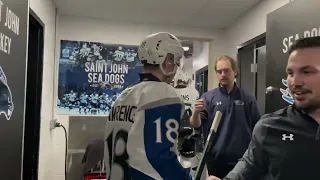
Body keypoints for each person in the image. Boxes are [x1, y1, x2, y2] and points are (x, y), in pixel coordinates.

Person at [209, 36, 320, 180]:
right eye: (291, 73)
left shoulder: (247, 97)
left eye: (307, 72)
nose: (295, 82)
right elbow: (247, 167)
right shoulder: (270, 126)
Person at [104, 32, 193, 180]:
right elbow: (159, 157)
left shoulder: (123, 96)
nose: (176, 69)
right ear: (167, 61)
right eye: (175, 62)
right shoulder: (164, 93)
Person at [189, 55, 260, 178]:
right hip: (215, 160)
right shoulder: (208, 97)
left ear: (235, 71)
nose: (223, 74)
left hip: (242, 161)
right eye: (219, 71)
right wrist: (195, 112)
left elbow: (257, 128)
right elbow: (196, 124)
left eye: (226, 70)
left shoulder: (248, 98)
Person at [174, 69, 201, 177]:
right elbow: (196, 115)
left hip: (172, 130)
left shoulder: (170, 91)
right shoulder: (194, 93)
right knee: (190, 165)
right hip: (188, 132)